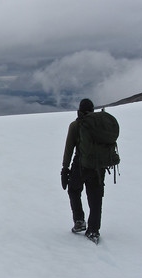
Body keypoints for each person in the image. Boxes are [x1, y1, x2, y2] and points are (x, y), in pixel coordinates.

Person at [61, 98, 105, 243]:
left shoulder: (75, 125)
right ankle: (93, 230)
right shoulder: (100, 124)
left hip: (80, 165)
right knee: (95, 198)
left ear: (79, 110)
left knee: (74, 191)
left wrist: (65, 169)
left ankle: (79, 221)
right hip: (98, 167)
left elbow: (69, 149)